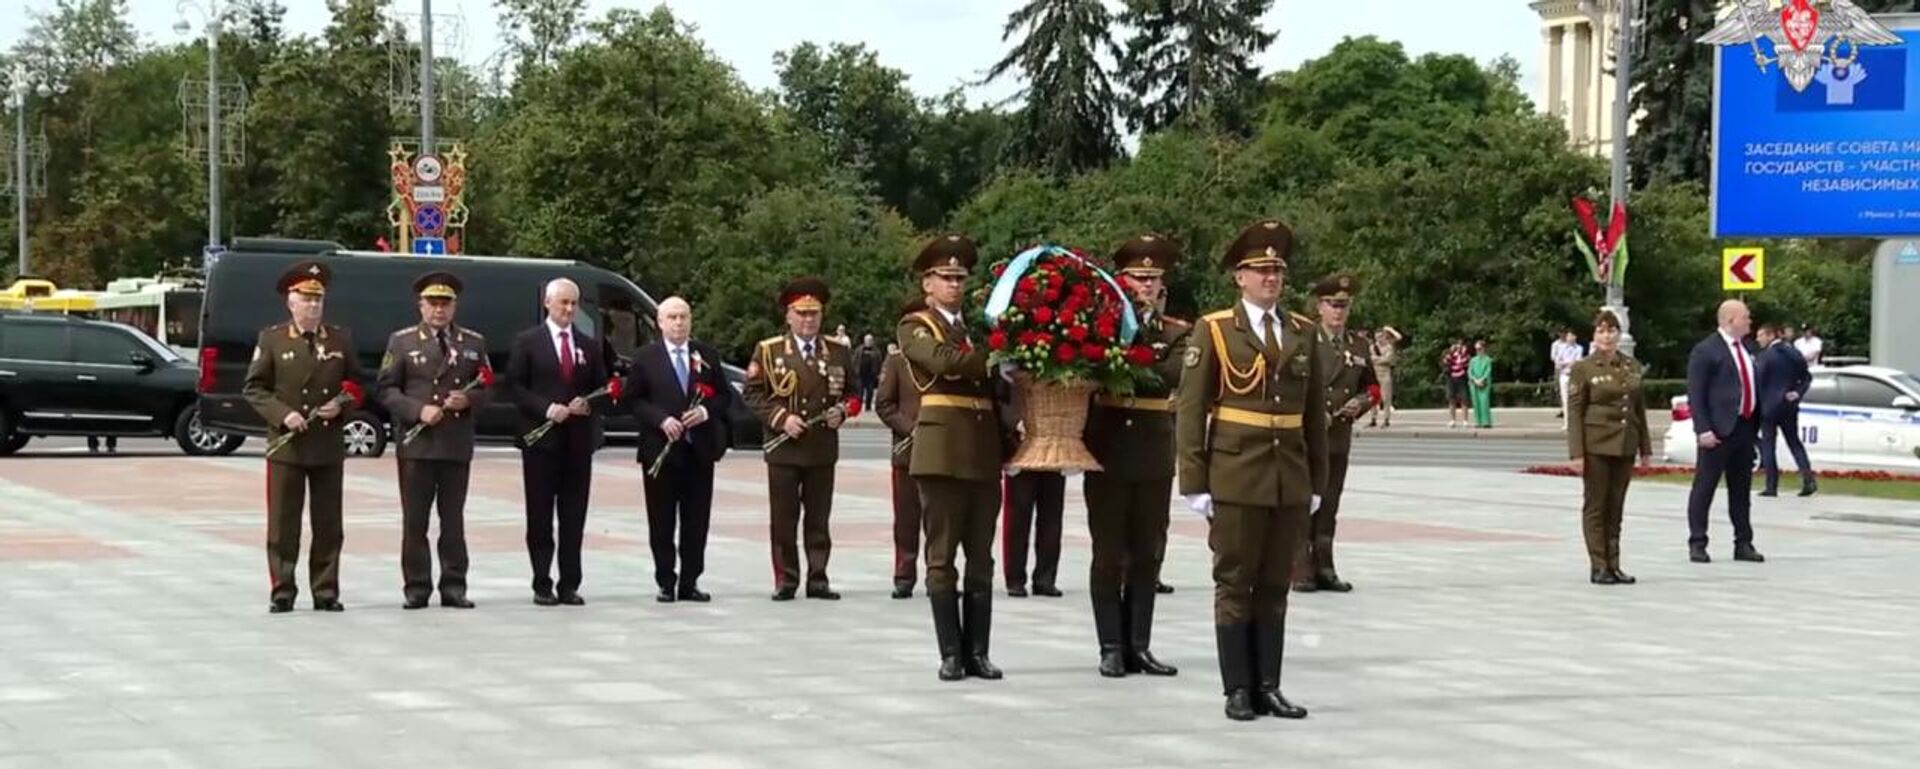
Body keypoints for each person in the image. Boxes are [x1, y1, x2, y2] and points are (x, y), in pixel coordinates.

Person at [1177, 219, 1326, 722]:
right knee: (1235, 582)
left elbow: (1313, 418)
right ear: (1238, 276)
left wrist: (1316, 483)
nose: (1271, 278)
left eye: (1277, 269)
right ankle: (1237, 687)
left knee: (1275, 584)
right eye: (1260, 270)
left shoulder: (1303, 331)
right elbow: (1192, 409)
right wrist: (1194, 481)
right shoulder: (1215, 329)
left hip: (1289, 476)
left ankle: (1269, 685)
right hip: (1236, 474)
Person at [898, 234, 1006, 682]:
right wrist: (995, 358)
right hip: (941, 453)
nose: (954, 285)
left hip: (982, 452)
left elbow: (997, 391)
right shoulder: (915, 325)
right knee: (941, 556)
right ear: (927, 283)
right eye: (945, 277)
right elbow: (942, 361)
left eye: (960, 277)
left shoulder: (977, 328)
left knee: (981, 558)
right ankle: (950, 652)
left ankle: (977, 650)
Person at [1083, 233, 1188, 678]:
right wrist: (1133, 357)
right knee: (1108, 553)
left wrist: (1126, 360)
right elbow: (1100, 368)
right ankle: (1111, 644)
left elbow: (1169, 374)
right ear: (1120, 282)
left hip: (1153, 450)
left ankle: (1139, 644)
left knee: (1148, 552)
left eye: (1153, 278)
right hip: (1108, 448)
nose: (1146, 286)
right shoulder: (1098, 325)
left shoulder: (1178, 332)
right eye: (1138, 278)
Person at [242, 260, 363, 613]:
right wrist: (284, 414)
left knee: (328, 524)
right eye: (305, 299)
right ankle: (282, 589)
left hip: (326, 445)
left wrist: (341, 407)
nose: (312, 306)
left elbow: (357, 385)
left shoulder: (340, 339)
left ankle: (325, 590)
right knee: (283, 524)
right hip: (288, 446)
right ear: (290, 302)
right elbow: (255, 388)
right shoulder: (273, 339)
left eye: (318, 300)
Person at [376, 271, 491, 610]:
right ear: (420, 306)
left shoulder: (472, 342)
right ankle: (417, 587)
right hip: (418, 444)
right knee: (415, 520)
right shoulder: (403, 341)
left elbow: (487, 386)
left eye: (446, 304)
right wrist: (417, 410)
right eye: (433, 303)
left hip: (455, 443)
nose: (439, 310)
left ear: (454, 306)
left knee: (453, 519)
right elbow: (385, 390)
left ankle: (454, 586)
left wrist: (468, 400)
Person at [745, 277, 852, 601]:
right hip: (785, 448)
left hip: (820, 447)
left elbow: (854, 393)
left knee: (819, 518)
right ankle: (786, 578)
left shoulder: (837, 351)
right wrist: (781, 419)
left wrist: (843, 412)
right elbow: (752, 393)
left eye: (814, 314)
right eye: (801, 314)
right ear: (788, 316)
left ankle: (818, 577)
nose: (808, 320)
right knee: (784, 519)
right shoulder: (770, 350)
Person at [507, 278, 611, 606]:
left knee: (573, 515)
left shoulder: (589, 345)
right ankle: (542, 582)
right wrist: (546, 409)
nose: (568, 309)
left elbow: (604, 388)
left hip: (578, 444)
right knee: (540, 515)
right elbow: (515, 387)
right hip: (541, 443)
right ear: (547, 304)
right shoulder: (528, 342)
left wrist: (589, 403)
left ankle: (570, 583)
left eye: (573, 304)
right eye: (563, 302)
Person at [626, 296, 733, 603]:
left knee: (696, 520)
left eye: (683, 317)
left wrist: (705, 412)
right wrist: (661, 420)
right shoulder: (646, 357)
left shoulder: (706, 355)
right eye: (672, 317)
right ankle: (665, 580)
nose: (678, 323)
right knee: (661, 520)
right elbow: (634, 400)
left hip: (698, 451)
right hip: (660, 451)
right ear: (660, 322)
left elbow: (724, 397)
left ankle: (690, 580)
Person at [1294, 274, 1374, 594]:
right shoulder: (1305, 340)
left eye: (1344, 306)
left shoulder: (1358, 344)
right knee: (1304, 502)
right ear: (1320, 307)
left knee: (1329, 503)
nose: (1339, 312)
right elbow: (1291, 384)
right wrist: (1312, 412)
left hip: (1339, 435)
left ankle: (1325, 566)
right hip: (1308, 436)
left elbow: (1372, 386)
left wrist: (1363, 402)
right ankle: (1301, 568)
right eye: (1332, 305)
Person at [1566, 310, 1651, 585]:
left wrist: (1645, 447)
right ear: (1594, 335)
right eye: (1602, 331)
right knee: (1596, 506)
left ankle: (1614, 564)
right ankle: (1598, 564)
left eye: (1612, 331)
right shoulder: (1583, 368)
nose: (1607, 336)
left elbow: (1639, 409)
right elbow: (1575, 413)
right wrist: (1577, 453)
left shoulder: (1631, 366)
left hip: (1624, 443)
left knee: (1616, 507)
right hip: (1596, 445)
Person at [1685, 299, 1766, 565]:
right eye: (1746, 318)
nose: (1750, 322)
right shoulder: (1706, 350)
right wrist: (1703, 428)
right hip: (1718, 430)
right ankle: (1698, 542)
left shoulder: (1747, 349)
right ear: (1730, 320)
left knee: (1741, 489)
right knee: (1705, 486)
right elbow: (1696, 394)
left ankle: (1743, 542)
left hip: (1744, 427)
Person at [875, 299, 926, 599]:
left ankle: (939, 574)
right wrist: (909, 427)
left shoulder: (944, 358)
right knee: (907, 519)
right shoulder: (896, 362)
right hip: (907, 451)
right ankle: (904, 574)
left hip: (941, 450)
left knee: (939, 521)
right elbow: (884, 404)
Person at [999, 386, 1066, 599]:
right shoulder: (1007, 368)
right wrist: (1015, 421)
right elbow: (999, 399)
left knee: (1052, 517)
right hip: (1019, 445)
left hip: (1053, 444)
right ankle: (1015, 578)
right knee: (1017, 517)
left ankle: (1045, 578)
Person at [1755, 323, 1817, 498]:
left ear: (1770, 336)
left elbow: (1758, 381)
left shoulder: (1766, 357)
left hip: (1768, 407)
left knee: (1768, 445)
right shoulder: (1793, 353)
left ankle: (1771, 485)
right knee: (1794, 442)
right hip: (1788, 405)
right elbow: (1806, 377)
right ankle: (1808, 478)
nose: (1758, 339)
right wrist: (1797, 393)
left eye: (1760, 335)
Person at [1368, 327, 1401, 429]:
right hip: (1374, 374)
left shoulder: (1389, 347)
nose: (1379, 339)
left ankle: (1386, 420)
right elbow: (1370, 359)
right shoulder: (1372, 347)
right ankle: (1373, 419)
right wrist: (1379, 359)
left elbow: (1388, 360)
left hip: (1385, 374)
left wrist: (1377, 359)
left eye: (1381, 336)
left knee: (1386, 398)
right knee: (1373, 397)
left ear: (1384, 336)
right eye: (1377, 337)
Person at [1551, 328, 1585, 428]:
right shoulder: (1561, 348)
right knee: (1565, 400)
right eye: (1569, 336)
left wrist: (1566, 363)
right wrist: (1566, 363)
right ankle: (1567, 422)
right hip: (1564, 375)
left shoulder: (1579, 348)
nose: (1571, 338)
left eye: (1573, 336)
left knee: (1574, 399)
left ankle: (1575, 421)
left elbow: (1577, 362)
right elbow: (1557, 361)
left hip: (1574, 376)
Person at [1443, 339, 1471, 427]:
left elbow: (1466, 363)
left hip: (1462, 378)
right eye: (1457, 345)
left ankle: (1465, 420)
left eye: (1460, 345)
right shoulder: (1450, 354)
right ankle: (1452, 420)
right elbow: (1445, 362)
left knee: (1464, 399)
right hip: (1451, 378)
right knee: (1451, 399)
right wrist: (1451, 352)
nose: (1458, 347)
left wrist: (1463, 353)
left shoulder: (1465, 355)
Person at [1468, 340, 1494, 429]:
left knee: (1484, 402)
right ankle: (1477, 422)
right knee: (1476, 402)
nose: (1478, 351)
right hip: (1474, 384)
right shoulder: (1473, 360)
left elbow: (1488, 371)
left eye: (1479, 349)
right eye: (1476, 349)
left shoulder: (1488, 360)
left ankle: (1486, 422)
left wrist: (1482, 379)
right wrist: (1475, 380)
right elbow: (1469, 371)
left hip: (1484, 383)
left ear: (1483, 349)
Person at [856, 332, 884, 411]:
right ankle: (858, 406)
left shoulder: (876, 351)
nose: (868, 341)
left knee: (870, 391)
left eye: (870, 340)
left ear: (872, 341)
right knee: (859, 391)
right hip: (860, 374)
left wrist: (879, 373)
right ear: (864, 341)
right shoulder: (859, 350)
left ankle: (868, 406)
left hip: (871, 374)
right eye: (867, 340)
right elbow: (855, 360)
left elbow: (879, 362)